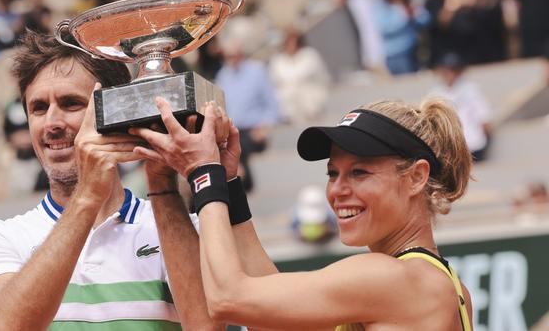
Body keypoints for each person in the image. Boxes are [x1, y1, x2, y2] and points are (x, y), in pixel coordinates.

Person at [132, 97, 473, 330]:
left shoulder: (389, 277)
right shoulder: (441, 284)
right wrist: (229, 181)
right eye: (332, 173)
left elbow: (226, 298)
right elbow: (270, 321)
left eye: (359, 173)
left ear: (416, 177)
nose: (338, 190)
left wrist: (204, 174)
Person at [0, 31, 218, 330]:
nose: (52, 124)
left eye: (71, 104)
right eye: (39, 108)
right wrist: (86, 197)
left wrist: (162, 185)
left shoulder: (187, 227)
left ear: (115, 113)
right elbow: (6, 327)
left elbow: (206, 327)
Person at [215, 39, 281, 192]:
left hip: (255, 129)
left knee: (238, 146)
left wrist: (265, 126)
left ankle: (244, 184)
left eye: (234, 55)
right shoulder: (223, 75)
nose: (232, 59)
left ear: (241, 54)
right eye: (228, 56)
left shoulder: (257, 71)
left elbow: (272, 103)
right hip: (232, 129)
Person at [431, 52, 492, 161]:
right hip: (450, 146)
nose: (450, 74)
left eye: (454, 70)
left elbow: (483, 117)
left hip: (474, 143)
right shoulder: (435, 92)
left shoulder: (471, 89)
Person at [268, 28, 330, 125]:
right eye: (288, 42)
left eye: (293, 42)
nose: (291, 45)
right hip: (287, 105)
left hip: (310, 103)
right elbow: (274, 84)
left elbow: (322, 78)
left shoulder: (310, 55)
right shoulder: (277, 61)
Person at [374, 0, 430, 75]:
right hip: (396, 55)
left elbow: (426, 20)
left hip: (415, 51)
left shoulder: (408, 2)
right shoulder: (380, 7)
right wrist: (404, 16)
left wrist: (416, 15)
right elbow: (383, 27)